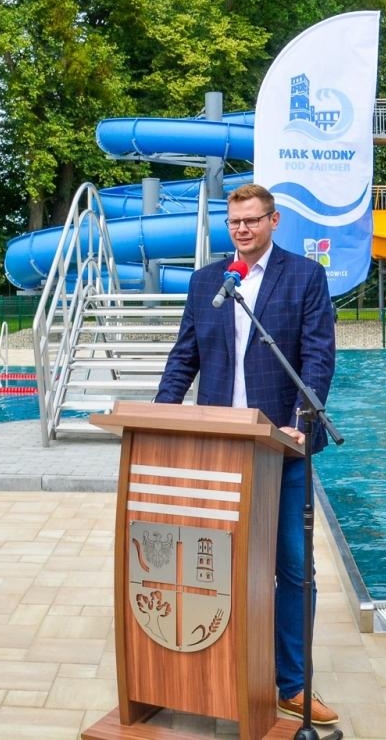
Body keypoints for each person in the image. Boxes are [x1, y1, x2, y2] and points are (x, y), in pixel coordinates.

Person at [154, 183, 340, 727]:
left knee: (292, 566)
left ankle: (293, 684)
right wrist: (163, 413)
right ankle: (219, 670)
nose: (242, 230)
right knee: (217, 565)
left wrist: (301, 423)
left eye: (252, 220)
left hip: (282, 447)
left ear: (274, 221)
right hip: (219, 448)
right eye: (234, 222)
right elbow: (184, 354)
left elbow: (317, 357)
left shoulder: (305, 277)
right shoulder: (207, 281)